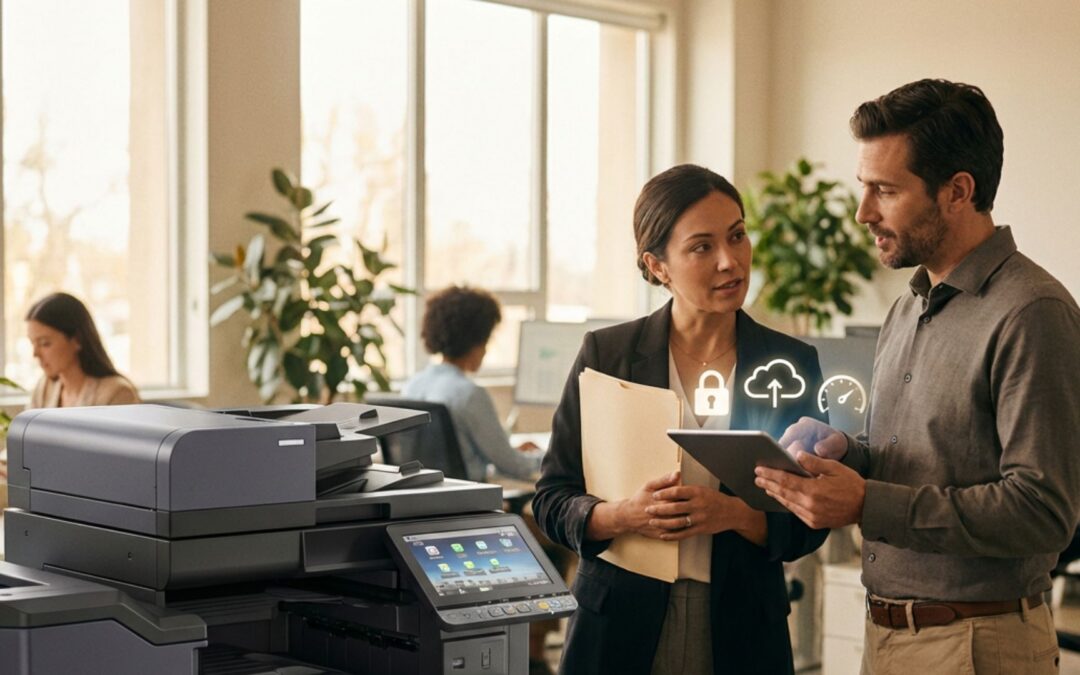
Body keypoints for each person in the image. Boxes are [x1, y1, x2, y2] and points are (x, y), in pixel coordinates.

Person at [755, 79, 1080, 674]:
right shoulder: (911, 303)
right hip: (892, 636)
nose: (862, 213)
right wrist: (849, 454)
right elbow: (930, 456)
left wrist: (867, 503)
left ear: (957, 191)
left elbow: (1044, 509)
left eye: (885, 190)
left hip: (976, 645)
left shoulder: (1032, 313)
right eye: (864, 187)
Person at [533, 164, 829, 675]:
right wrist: (623, 515)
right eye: (701, 247)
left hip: (742, 629)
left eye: (737, 236)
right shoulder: (608, 355)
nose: (730, 261)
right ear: (658, 265)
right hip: (618, 625)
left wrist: (735, 515)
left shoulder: (789, 363)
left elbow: (812, 519)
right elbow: (552, 499)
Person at [404, 285, 541, 482]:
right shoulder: (469, 394)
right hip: (466, 501)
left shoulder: (413, 385)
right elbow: (514, 466)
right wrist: (549, 458)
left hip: (426, 500)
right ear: (476, 340)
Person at [25, 292, 140, 408]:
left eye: (45, 343)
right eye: (32, 343)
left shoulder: (117, 393)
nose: (35, 354)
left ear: (77, 340)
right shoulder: (43, 389)